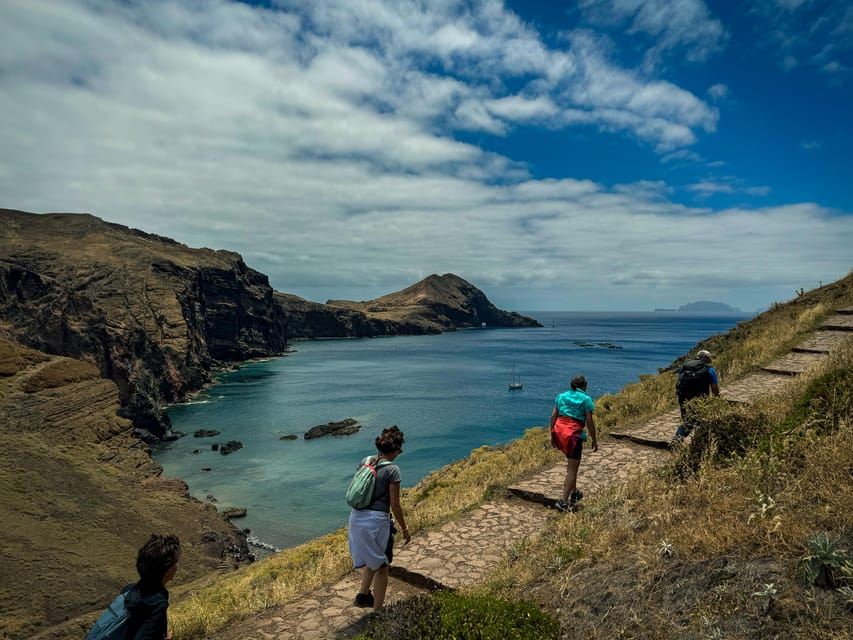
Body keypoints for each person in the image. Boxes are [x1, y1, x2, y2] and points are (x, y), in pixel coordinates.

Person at [348, 426, 411, 610]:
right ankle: (378, 613)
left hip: (355, 518)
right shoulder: (393, 470)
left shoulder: (366, 461)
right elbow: (395, 505)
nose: (399, 453)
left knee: (371, 558)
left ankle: (363, 595)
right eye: (399, 450)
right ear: (395, 450)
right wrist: (405, 529)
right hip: (376, 522)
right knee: (382, 565)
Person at [550, 375, 598, 512]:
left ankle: (575, 492)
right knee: (572, 469)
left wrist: (552, 435)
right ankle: (563, 501)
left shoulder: (561, 396)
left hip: (560, 432)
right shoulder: (586, 399)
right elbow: (589, 421)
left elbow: (553, 416)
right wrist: (594, 439)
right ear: (585, 384)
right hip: (573, 436)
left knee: (572, 465)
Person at [125, 534, 181, 640]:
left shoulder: (129, 590)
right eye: (176, 562)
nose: (177, 566)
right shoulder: (158, 604)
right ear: (167, 570)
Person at [673, 349, 720, 442]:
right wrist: (716, 398)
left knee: (687, 419)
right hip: (699, 399)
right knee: (695, 420)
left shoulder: (686, 367)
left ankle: (690, 438)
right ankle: (679, 439)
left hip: (683, 397)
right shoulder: (710, 370)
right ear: (707, 359)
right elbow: (714, 388)